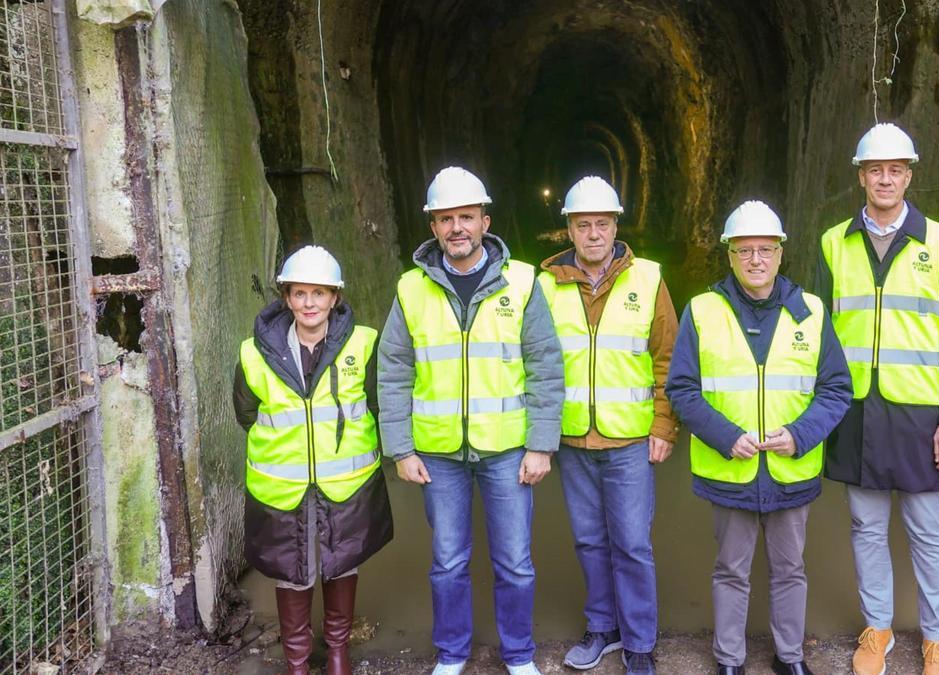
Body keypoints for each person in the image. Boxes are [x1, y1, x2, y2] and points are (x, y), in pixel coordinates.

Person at [377, 166, 564, 675]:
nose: (456, 227)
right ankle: (453, 653)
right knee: (448, 563)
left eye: (466, 217)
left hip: (507, 450)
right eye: (445, 219)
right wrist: (402, 448)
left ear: (485, 220)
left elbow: (546, 365)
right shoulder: (411, 290)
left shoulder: (523, 282)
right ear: (433, 226)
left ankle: (520, 654)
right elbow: (393, 370)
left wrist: (542, 444)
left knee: (515, 564)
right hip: (439, 454)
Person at [812, 123, 939, 675]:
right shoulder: (834, 243)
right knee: (865, 528)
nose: (885, 179)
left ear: (908, 176)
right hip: (857, 413)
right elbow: (818, 335)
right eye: (875, 170)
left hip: (920, 416)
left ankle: (936, 639)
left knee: (928, 529)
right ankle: (877, 628)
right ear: (861, 176)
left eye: (895, 170)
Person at [667, 200, 852, 675]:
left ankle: (790, 656)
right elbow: (681, 389)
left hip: (791, 470)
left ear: (780, 253)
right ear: (729, 254)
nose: (755, 260)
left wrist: (800, 434)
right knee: (731, 570)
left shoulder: (810, 311)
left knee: (790, 570)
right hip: (731, 470)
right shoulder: (703, 310)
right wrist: (726, 436)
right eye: (744, 250)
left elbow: (836, 388)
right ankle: (730, 659)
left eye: (765, 250)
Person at [537, 176, 679, 675]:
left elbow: (668, 359)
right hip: (573, 438)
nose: (593, 233)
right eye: (583, 224)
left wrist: (663, 427)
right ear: (569, 231)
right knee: (589, 540)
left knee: (633, 542)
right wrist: (540, 435)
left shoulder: (647, 278)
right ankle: (604, 628)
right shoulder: (544, 285)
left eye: (602, 223)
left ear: (616, 225)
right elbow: (533, 363)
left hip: (630, 440)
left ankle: (640, 641)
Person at [233, 245, 393, 675]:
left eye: (319, 294)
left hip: (347, 482)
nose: (309, 303)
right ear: (286, 297)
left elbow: (378, 405)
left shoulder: (365, 343)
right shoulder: (254, 352)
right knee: (293, 571)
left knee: (341, 563)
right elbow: (246, 412)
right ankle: (298, 662)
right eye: (300, 293)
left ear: (335, 298)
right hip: (283, 487)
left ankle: (337, 652)